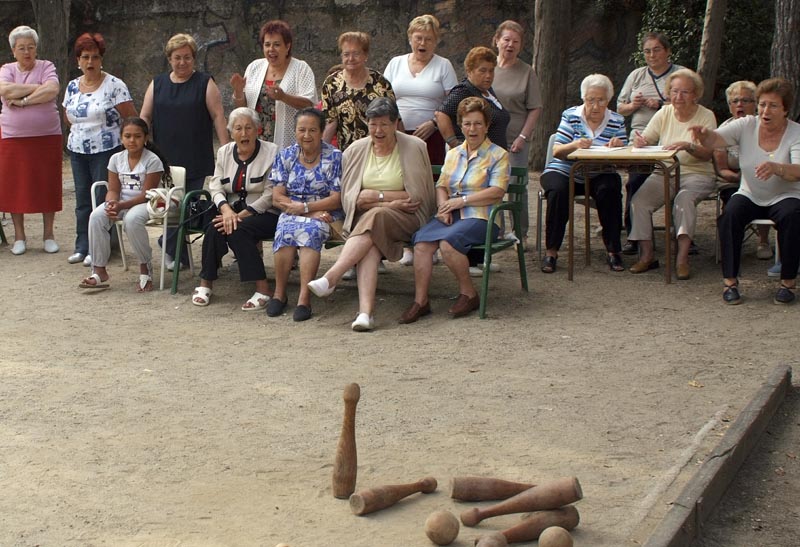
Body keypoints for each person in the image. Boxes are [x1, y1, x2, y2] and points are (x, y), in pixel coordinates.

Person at [307, 98, 436, 331]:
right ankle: (365, 314)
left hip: (407, 219)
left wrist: (376, 198)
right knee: (372, 242)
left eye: (385, 124)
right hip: (366, 221)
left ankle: (332, 277)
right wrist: (389, 199)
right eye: (373, 124)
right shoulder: (356, 150)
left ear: (396, 123)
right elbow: (350, 197)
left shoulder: (415, 146)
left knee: (376, 215)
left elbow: (415, 198)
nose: (378, 130)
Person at [399, 97, 509, 323]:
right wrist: (442, 207)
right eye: (467, 123)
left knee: (448, 245)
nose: (472, 129)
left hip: (482, 216)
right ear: (461, 125)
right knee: (421, 244)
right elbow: (442, 185)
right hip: (452, 214)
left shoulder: (499, 155)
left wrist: (462, 202)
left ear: (487, 126)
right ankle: (421, 301)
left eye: (478, 123)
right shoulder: (453, 153)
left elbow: (497, 191)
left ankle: (469, 294)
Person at [692, 78, 800, 305]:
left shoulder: (796, 133)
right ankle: (730, 282)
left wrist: (777, 168)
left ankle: (787, 283)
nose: (765, 111)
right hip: (750, 192)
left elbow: (798, 171)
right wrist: (703, 135)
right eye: (762, 104)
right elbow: (716, 139)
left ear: (785, 110)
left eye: (772, 106)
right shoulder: (746, 124)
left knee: (792, 216)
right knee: (730, 215)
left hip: (785, 195)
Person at [140, 33, 229, 270]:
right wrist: (140, 145)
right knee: (169, 206)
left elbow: (218, 116)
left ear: (194, 59)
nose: (182, 63)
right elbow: (145, 117)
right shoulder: (157, 84)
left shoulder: (204, 83)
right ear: (169, 59)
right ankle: (179, 255)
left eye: (187, 58)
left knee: (186, 207)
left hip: (195, 156)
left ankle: (169, 244)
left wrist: (226, 149)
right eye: (177, 58)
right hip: (164, 158)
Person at [629, 68, 716, 280]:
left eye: (685, 92)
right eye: (674, 91)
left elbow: (708, 154)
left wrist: (688, 146)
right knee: (638, 201)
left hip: (696, 173)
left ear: (695, 94)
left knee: (683, 200)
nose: (678, 97)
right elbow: (646, 139)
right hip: (665, 172)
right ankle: (647, 255)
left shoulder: (706, 116)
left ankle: (682, 259)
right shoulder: (664, 113)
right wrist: (640, 141)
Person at [384, 15, 457, 267]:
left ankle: (430, 241)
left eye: (428, 39)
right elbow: (385, 97)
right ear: (410, 38)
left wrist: (434, 123)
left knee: (431, 187)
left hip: (431, 136)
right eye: (418, 38)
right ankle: (406, 243)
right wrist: (397, 125)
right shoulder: (395, 63)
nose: (422, 43)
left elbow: (453, 100)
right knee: (401, 186)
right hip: (398, 134)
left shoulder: (443, 65)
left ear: (436, 41)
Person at [191, 108, 280, 310]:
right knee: (217, 226)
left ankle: (262, 287)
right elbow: (215, 185)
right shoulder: (224, 152)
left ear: (257, 130)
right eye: (238, 128)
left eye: (249, 128)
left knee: (237, 227)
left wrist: (239, 215)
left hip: (264, 213)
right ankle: (206, 283)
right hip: (230, 211)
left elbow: (270, 194)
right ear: (231, 133)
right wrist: (226, 210)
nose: (244, 133)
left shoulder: (271, 151)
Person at [539, 74, 628, 274]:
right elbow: (557, 151)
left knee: (610, 188)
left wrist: (620, 145)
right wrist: (575, 145)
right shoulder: (571, 115)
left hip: (599, 171)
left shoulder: (616, 120)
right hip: (565, 169)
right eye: (590, 100)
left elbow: (624, 157)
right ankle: (551, 252)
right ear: (583, 99)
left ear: (608, 100)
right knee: (558, 192)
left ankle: (614, 250)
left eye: (601, 100)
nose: (595, 106)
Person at [62, 32, 137, 266]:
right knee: (82, 199)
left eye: (95, 57)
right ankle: (81, 245)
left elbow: (131, 117)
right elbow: (67, 117)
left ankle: (101, 247)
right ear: (78, 60)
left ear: (101, 59)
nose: (90, 62)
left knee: (101, 198)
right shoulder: (73, 86)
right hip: (78, 151)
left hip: (106, 150)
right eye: (85, 57)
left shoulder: (114, 85)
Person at [267, 108, 343, 321]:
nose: (307, 135)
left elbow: (336, 198)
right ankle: (279, 294)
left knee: (310, 231)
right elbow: (277, 197)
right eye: (302, 130)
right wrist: (304, 210)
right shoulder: (286, 155)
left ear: (321, 132)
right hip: (295, 211)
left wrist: (307, 209)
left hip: (325, 213)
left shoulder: (334, 156)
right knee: (285, 231)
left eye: (312, 130)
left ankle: (304, 298)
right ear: (295, 131)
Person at [79, 117, 170, 291]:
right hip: (121, 202)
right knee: (97, 216)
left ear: (145, 138)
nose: (132, 140)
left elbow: (146, 195)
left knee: (132, 220)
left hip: (147, 203)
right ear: (121, 138)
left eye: (137, 136)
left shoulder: (152, 160)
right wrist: (112, 203)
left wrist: (121, 206)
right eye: (127, 136)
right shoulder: (115, 159)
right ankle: (99, 270)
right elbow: (113, 189)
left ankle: (145, 267)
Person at [618, 32, 685, 255]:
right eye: (647, 51)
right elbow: (620, 108)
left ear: (667, 51)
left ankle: (683, 234)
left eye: (656, 49)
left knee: (679, 181)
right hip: (640, 139)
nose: (652, 55)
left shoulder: (680, 74)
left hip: (671, 138)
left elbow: (690, 103)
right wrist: (634, 105)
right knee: (635, 182)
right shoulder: (636, 76)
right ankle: (633, 236)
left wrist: (662, 103)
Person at [0, 25, 61, 256]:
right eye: (22, 48)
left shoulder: (46, 66)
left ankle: (48, 234)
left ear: (36, 49)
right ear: (13, 51)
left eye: (31, 47)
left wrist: (24, 101)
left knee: (47, 183)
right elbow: (5, 90)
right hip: (13, 138)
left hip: (47, 136)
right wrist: (36, 88)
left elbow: (52, 90)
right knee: (15, 185)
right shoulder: (6, 69)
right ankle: (19, 236)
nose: (27, 52)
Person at [492, 20, 543, 246]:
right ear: (497, 40)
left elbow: (535, 107)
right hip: (489, 138)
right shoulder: (486, 67)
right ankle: (497, 230)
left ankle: (520, 233)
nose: (510, 45)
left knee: (516, 186)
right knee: (491, 185)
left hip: (516, 139)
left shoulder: (526, 72)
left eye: (515, 41)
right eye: (506, 39)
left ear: (521, 45)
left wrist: (523, 136)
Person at [230, 20, 316, 150]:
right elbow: (244, 110)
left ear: (287, 46)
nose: (271, 49)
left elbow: (310, 105)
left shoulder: (301, 69)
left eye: (277, 45)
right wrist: (238, 92)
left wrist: (284, 97)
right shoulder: (254, 67)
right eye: (267, 45)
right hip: (257, 143)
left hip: (288, 142)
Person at [714, 80, 772, 262]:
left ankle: (763, 241)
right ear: (730, 105)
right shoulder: (723, 131)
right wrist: (739, 178)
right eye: (735, 101)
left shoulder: (766, 127)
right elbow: (722, 170)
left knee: (769, 192)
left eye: (746, 100)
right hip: (733, 180)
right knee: (733, 199)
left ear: (755, 104)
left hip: (764, 178)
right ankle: (731, 245)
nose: (740, 104)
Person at [321, 31, 397, 152]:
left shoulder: (380, 82)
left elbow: (394, 119)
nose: (350, 59)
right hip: (347, 152)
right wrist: (320, 153)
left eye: (356, 53)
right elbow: (330, 122)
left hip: (378, 150)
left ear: (365, 55)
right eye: (346, 54)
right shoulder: (331, 84)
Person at [435, 46, 510, 151]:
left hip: (495, 156)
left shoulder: (488, 90)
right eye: (482, 71)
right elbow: (441, 114)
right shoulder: (464, 90)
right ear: (469, 71)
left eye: (491, 71)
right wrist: (454, 143)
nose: (488, 76)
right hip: (474, 157)